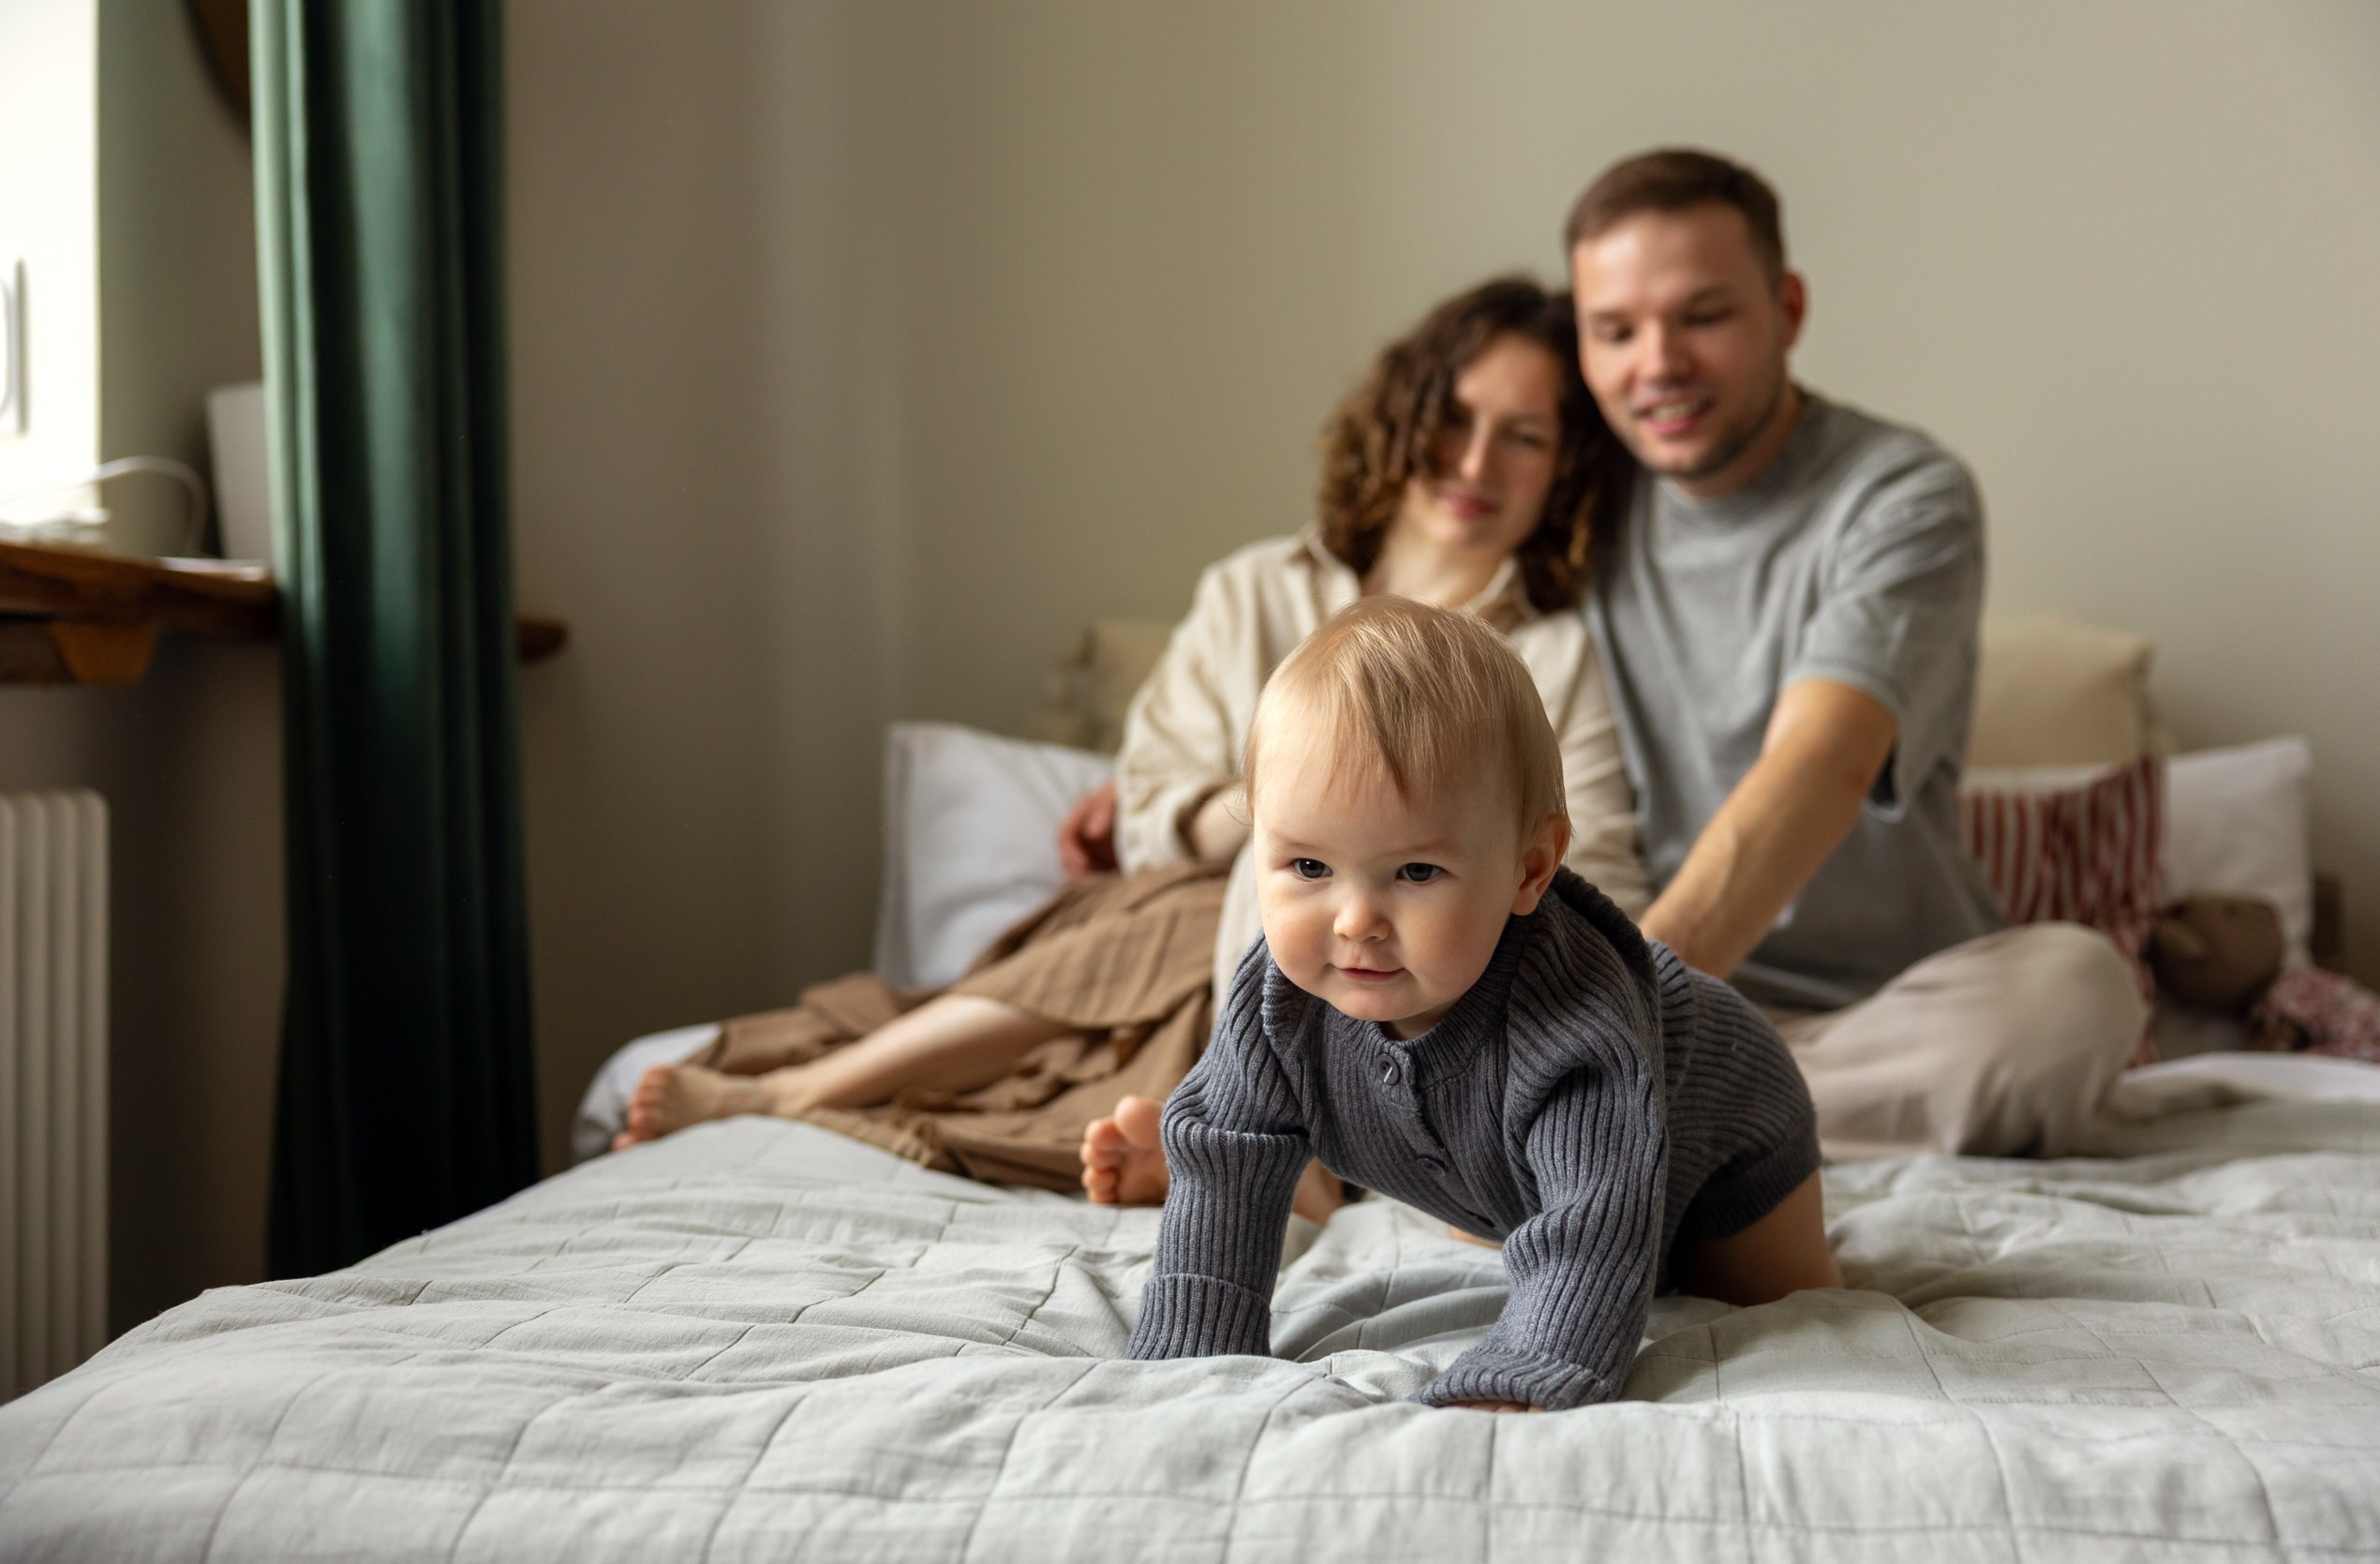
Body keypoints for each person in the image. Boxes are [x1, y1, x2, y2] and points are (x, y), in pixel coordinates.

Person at [615, 276, 1652, 1200]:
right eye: (1454, 417)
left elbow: (1590, 873)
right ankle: (1259, 1143)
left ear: (1562, 470)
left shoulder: (1557, 656)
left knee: (1236, 909)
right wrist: (1305, 836)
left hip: (1423, 1001)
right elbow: (1149, 806)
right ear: (1399, 419)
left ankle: (829, 1092)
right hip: (1204, 932)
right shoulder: (1251, 591)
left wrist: (1383, 868)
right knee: (1189, 907)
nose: (1475, 460)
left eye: (1524, 435)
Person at [1565, 148, 2145, 1159]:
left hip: (1887, 1016)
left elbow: (1820, 763)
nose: (1655, 364)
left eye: (1702, 316)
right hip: (1691, 1020)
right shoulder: (1571, 514)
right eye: (1613, 331)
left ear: (1786, 309)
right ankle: (1719, 1135)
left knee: (2075, 992)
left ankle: (1649, 1133)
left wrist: (1609, 1034)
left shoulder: (1899, 495)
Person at [1124, 597, 1837, 1411]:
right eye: (1309, 867)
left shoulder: (1573, 1026)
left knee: (1774, 1305)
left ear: (1529, 869)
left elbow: (1591, 1217)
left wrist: (1526, 1370)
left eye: (1416, 873)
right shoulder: (1277, 1006)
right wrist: (1190, 1348)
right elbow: (1226, 1160)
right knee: (1516, 1204)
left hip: (1729, 1123)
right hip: (1499, 1162)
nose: (1355, 921)